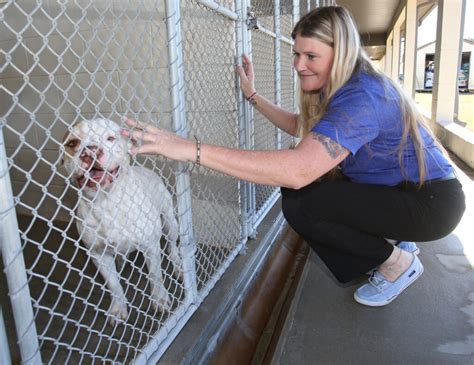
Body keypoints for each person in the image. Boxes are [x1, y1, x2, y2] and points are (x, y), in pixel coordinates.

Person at [121, 6, 465, 307]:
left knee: (303, 201)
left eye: (310, 56)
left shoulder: (363, 97)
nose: (299, 65)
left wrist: (188, 149)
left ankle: (397, 264)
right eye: (296, 54)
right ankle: (398, 237)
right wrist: (253, 95)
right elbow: (303, 126)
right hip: (408, 190)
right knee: (304, 187)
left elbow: (298, 170)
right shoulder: (348, 86)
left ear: (341, 52)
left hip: (431, 204)